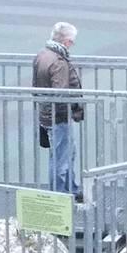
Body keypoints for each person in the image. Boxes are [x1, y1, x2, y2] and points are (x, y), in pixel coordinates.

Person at [32, 21, 85, 201]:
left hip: (46, 115)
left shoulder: (42, 55)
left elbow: (35, 88)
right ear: (66, 41)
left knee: (66, 154)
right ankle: (60, 196)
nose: (72, 44)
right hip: (59, 118)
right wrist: (73, 109)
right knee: (61, 158)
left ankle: (71, 188)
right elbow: (62, 93)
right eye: (72, 41)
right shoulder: (59, 61)